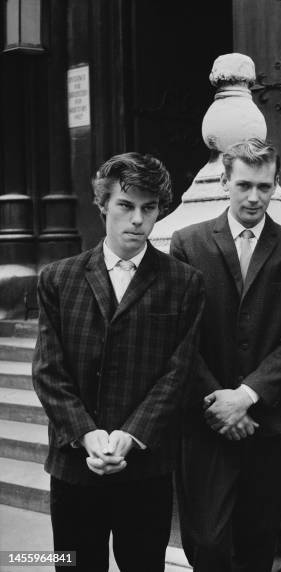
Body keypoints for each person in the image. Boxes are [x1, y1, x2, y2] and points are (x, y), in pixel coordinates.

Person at [32, 152, 205, 572]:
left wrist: (132, 434)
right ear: (103, 205)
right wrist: (86, 434)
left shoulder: (184, 282)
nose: (137, 220)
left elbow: (177, 373)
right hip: (74, 466)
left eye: (149, 208)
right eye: (126, 206)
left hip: (145, 467)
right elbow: (48, 371)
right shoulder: (58, 278)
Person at [170, 138, 281, 572]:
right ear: (225, 183)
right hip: (207, 418)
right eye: (244, 185)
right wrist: (221, 400)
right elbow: (182, 336)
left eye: (264, 186)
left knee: (258, 543)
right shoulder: (187, 243)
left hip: (267, 422)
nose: (254, 197)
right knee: (207, 543)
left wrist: (247, 396)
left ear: (276, 184)